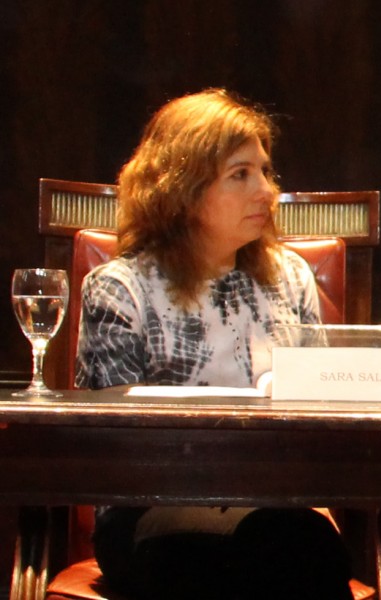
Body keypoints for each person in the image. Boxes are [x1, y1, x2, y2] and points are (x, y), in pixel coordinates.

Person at [75, 89, 355, 600]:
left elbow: (323, 415)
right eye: (241, 174)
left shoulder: (291, 277)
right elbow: (111, 449)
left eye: (266, 172)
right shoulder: (122, 288)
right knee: (284, 550)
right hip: (151, 517)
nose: (267, 192)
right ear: (182, 188)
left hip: (281, 506)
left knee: (296, 545)